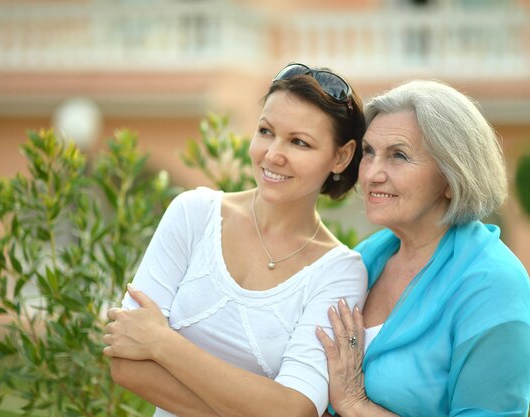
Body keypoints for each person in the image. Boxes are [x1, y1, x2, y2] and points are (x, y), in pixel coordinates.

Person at [102, 63, 368, 417]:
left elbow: (293, 410)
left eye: (299, 142)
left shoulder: (339, 272)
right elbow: (125, 362)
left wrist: (162, 343)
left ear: (341, 156)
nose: (273, 154)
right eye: (265, 131)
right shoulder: (194, 213)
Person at [316, 79, 530, 417]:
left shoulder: (493, 284)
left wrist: (354, 404)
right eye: (369, 152)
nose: (372, 173)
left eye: (399, 156)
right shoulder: (367, 256)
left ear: (451, 177)